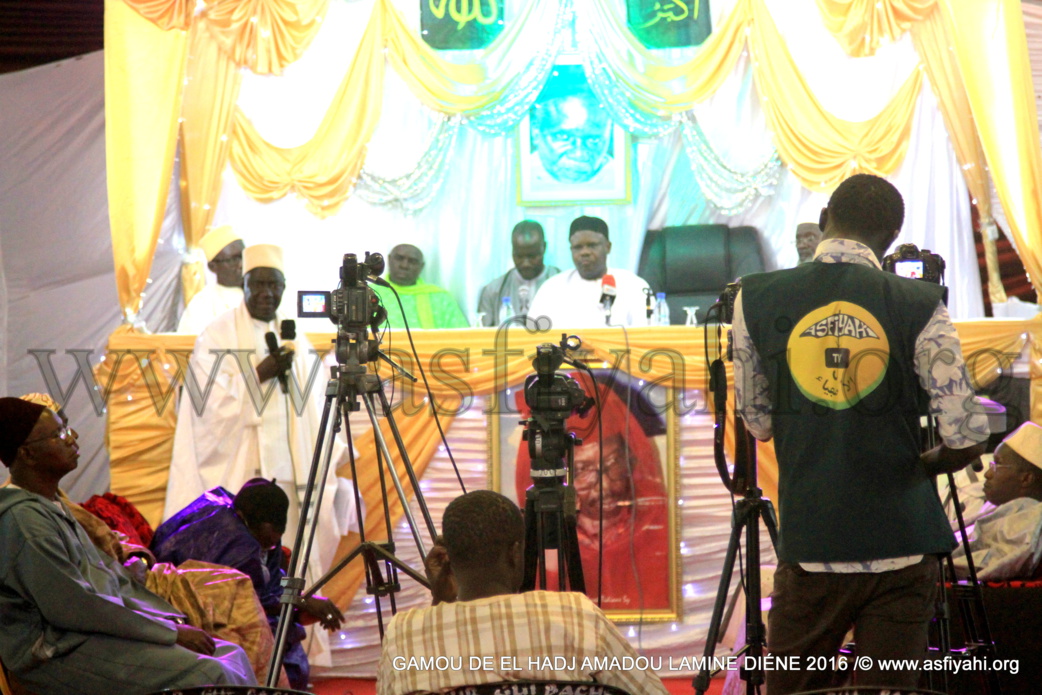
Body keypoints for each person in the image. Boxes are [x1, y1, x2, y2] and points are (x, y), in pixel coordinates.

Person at [732, 173, 990, 694]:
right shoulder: (919, 303)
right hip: (903, 542)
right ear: (891, 240)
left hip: (813, 543)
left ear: (825, 220)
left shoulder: (754, 298)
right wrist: (922, 465)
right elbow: (967, 433)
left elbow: (758, 421)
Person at [0, 397, 256, 694]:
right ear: (27, 454)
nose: (73, 438)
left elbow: (104, 578)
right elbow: (76, 606)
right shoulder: (24, 520)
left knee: (230, 654)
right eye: (59, 434)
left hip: (87, 633)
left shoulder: (49, 505)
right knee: (210, 672)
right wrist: (168, 632)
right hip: (57, 651)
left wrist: (161, 618)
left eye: (68, 428)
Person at [165, 243, 353, 583]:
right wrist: (258, 374)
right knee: (244, 565)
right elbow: (204, 407)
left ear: (283, 287)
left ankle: (292, 623)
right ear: (245, 285)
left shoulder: (295, 336)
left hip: (290, 473)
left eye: (274, 285)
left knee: (291, 561)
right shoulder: (216, 334)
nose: (267, 293)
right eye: (259, 284)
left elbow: (314, 404)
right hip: (241, 472)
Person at [376, 490, 669, 695]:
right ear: (516, 553)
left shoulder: (403, 632)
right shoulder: (577, 614)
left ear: (446, 558)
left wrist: (440, 602)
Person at [152, 479, 344, 690]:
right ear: (254, 521)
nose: (274, 542)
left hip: (168, 592)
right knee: (279, 635)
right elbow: (246, 600)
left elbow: (269, 579)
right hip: (185, 610)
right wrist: (300, 603)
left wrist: (302, 598)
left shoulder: (223, 505)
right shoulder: (238, 545)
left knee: (287, 624)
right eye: (271, 536)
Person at [513, 372, 669, 611]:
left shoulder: (657, 526)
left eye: (614, 463)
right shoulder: (542, 536)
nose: (605, 486)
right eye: (583, 470)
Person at [950, 422, 1042, 581]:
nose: (987, 474)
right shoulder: (999, 508)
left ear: (1026, 478)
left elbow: (981, 566)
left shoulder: (1030, 518)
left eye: (997, 464)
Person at [527, 216, 651, 328]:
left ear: (608, 247)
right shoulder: (552, 288)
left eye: (592, 245)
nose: (584, 252)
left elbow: (647, 335)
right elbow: (533, 337)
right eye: (578, 247)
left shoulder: (634, 285)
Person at [528, 65, 615, 187]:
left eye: (593, 140)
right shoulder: (511, 178)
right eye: (563, 137)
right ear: (535, 132)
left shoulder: (627, 179)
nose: (579, 154)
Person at [476, 220, 560, 326]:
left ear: (544, 248)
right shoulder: (494, 291)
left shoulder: (563, 285)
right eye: (519, 256)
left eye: (532, 256)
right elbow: (481, 336)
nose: (526, 264)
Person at [372, 244, 468, 329]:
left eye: (412, 261)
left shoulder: (440, 297)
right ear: (389, 260)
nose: (404, 265)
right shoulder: (370, 293)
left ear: (421, 266)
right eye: (399, 258)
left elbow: (461, 336)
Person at [178, 225, 246, 334]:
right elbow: (191, 345)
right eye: (233, 260)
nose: (241, 264)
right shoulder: (202, 304)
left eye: (243, 256)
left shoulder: (262, 294)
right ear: (213, 267)